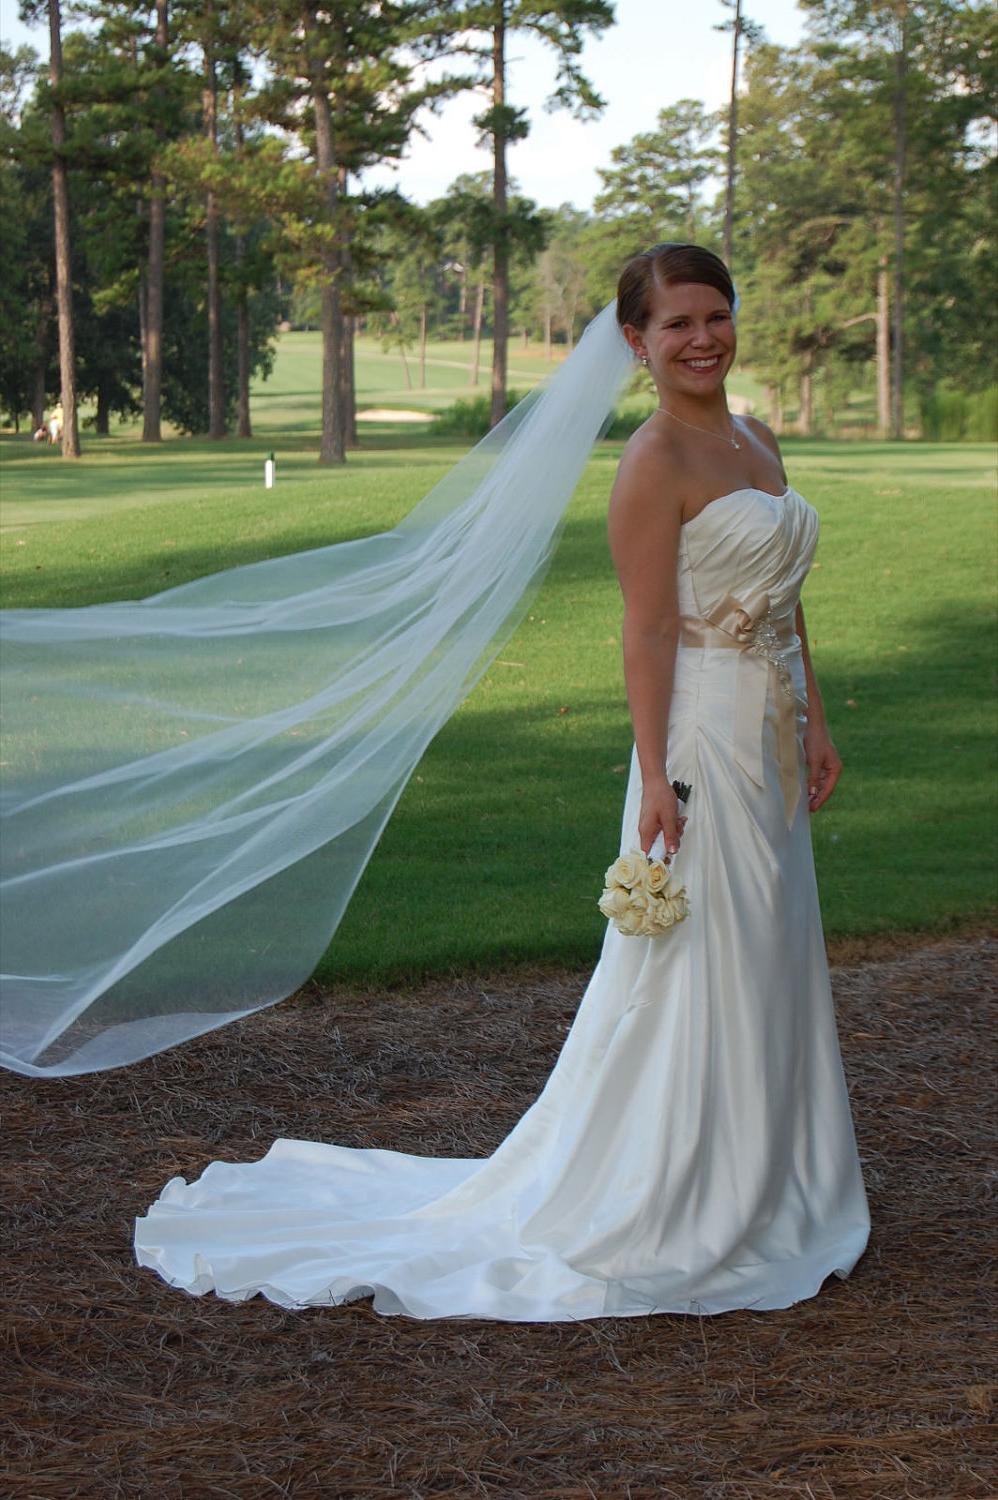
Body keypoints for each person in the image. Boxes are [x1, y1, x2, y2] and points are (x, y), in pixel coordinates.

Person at [133, 244, 870, 1321]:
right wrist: (657, 777)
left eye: (716, 315)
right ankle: (682, 1192)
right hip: (700, 739)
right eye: (677, 324)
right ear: (635, 341)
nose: (703, 338)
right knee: (701, 953)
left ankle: (774, 1176)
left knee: (764, 948)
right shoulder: (652, 458)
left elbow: (783, 591)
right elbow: (647, 627)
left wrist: (811, 715)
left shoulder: (755, 435)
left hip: (768, 726)